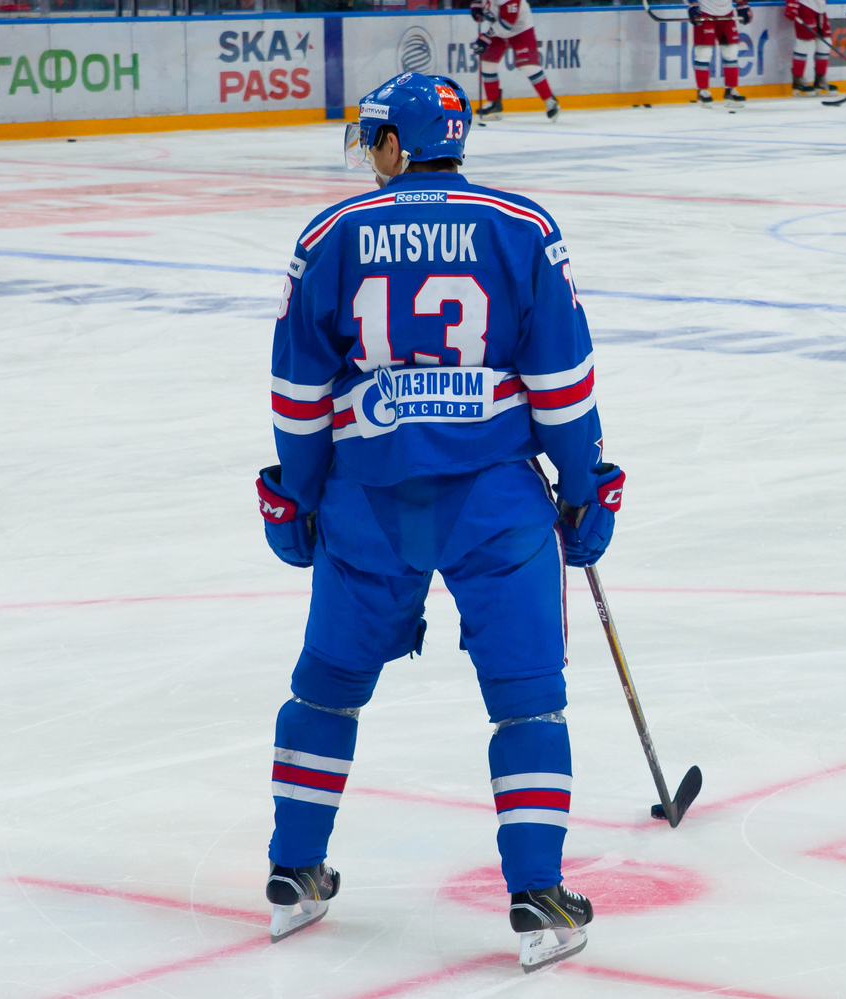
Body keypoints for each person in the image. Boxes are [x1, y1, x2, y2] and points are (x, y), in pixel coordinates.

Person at [260, 71, 620, 974]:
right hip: (495, 504)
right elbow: (563, 384)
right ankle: (537, 892)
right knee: (528, 696)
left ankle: (294, 870)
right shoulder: (524, 227)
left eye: (373, 138)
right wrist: (586, 485)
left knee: (326, 687)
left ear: (397, 144)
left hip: (367, 503)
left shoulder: (330, 234)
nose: (368, 155)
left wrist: (297, 496)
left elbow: (300, 394)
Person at [470, 0, 560, 122]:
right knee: (487, 63)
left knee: (529, 66)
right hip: (498, 26)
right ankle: (494, 105)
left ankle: (550, 101)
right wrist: (476, 8)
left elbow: (507, 25)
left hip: (520, 28)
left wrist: (485, 38)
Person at [688, 0, 752, 107]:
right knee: (704, 53)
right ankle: (702, 91)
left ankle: (730, 90)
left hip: (727, 14)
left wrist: (743, 5)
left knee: (731, 52)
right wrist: (692, 5)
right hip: (705, 13)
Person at [786, 0, 835, 96]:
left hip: (821, 8)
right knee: (804, 42)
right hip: (804, 5)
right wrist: (791, 4)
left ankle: (820, 79)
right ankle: (798, 81)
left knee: (824, 43)